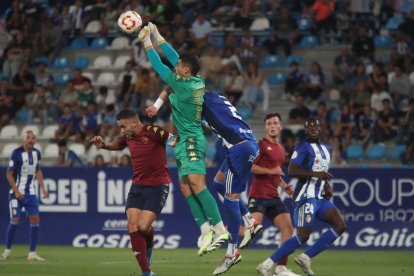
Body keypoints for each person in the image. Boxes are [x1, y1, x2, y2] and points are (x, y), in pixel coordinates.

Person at [140, 22, 229, 256]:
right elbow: (174, 56)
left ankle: (220, 229)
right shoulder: (193, 79)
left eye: (179, 66)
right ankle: (204, 230)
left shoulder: (182, 84)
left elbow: (159, 64)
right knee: (184, 185)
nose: (176, 65)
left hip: (191, 139)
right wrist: (158, 35)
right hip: (183, 140)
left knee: (197, 183)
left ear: (185, 71)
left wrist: (146, 42)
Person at [90, 109, 176, 276]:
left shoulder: (154, 132)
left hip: (158, 186)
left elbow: (176, 142)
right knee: (132, 225)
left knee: (143, 227)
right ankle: (146, 272)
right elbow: (119, 143)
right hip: (137, 187)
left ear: (134, 123)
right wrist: (104, 145)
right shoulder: (128, 136)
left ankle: (149, 247)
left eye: (123, 126)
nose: (121, 130)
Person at [257, 117, 346, 276]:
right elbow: (292, 170)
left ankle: (305, 257)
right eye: (309, 127)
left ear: (320, 129)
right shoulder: (303, 147)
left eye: (315, 127)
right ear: (306, 131)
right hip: (305, 196)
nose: (312, 129)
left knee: (340, 225)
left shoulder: (326, 149)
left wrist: (326, 186)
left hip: (319, 197)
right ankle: (266, 264)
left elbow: (320, 172)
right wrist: (315, 174)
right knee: (303, 236)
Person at [201, 91, 260, 275]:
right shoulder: (215, 97)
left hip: (239, 147)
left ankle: (231, 251)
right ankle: (250, 221)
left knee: (230, 199)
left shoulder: (200, 100)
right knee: (218, 184)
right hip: (243, 143)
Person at [245, 113, 300, 276]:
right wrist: (271, 170)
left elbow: (275, 174)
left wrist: (284, 186)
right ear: (266, 127)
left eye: (275, 123)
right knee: (250, 232)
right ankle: (224, 231)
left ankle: (281, 268)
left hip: (274, 196)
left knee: (288, 228)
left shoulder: (281, 149)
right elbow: (252, 168)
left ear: (280, 126)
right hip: (259, 195)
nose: (272, 126)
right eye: (269, 124)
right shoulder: (260, 145)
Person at [0, 130, 48, 261]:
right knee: (15, 220)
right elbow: (9, 174)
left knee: (35, 220)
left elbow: (37, 169)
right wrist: (16, 191)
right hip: (16, 193)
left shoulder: (37, 153)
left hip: (30, 193)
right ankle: (7, 252)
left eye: (33, 138)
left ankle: (32, 253)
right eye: (28, 138)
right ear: (23, 139)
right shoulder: (16, 153)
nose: (30, 140)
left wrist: (43, 187)